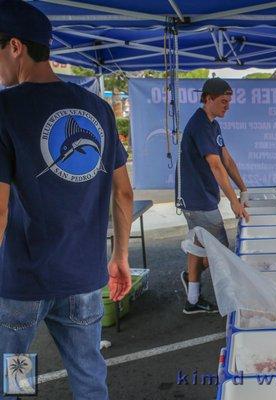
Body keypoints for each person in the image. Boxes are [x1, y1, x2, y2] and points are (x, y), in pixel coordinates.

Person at [0, 1, 134, 399]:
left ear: (15, 47)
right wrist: (120, 256)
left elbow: (0, 208)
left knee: (15, 377)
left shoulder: (4, 109)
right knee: (89, 377)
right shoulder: (99, 109)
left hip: (22, 286)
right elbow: (124, 191)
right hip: (82, 282)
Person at [176, 77, 250, 315]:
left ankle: (192, 295)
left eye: (229, 101)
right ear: (208, 99)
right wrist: (234, 201)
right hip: (197, 198)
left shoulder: (212, 124)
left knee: (198, 246)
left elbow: (227, 159)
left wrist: (244, 188)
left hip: (200, 196)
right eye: (223, 101)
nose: (227, 105)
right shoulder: (199, 125)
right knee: (222, 253)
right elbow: (216, 165)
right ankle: (218, 299)